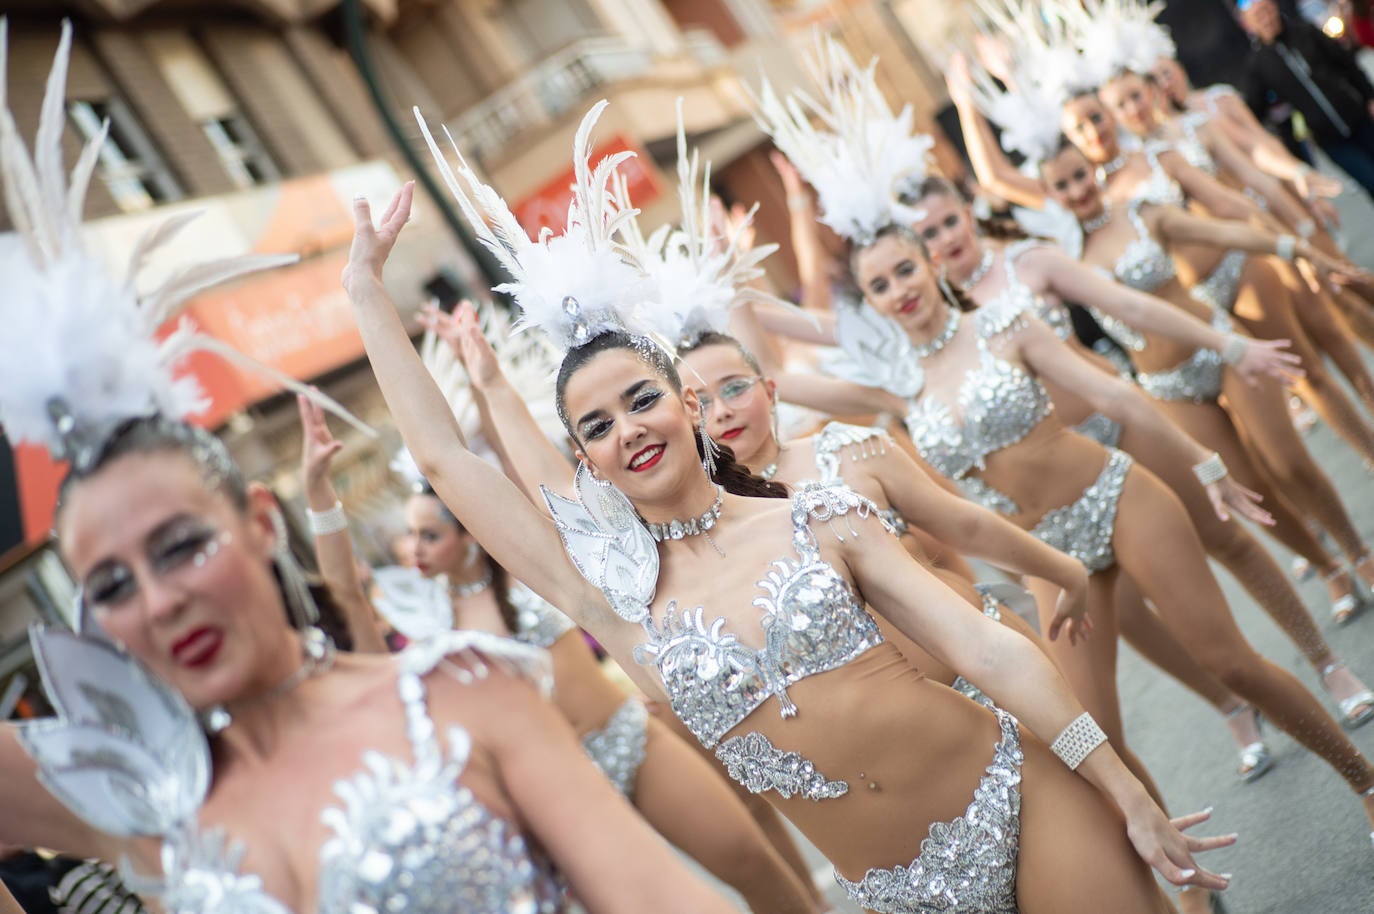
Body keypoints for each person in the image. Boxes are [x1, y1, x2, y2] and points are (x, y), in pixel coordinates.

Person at [0, 24, 737, 914]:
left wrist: (385, 315)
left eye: (182, 546)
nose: (158, 601)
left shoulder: (458, 691)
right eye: (110, 584)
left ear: (261, 526)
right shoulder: (157, 826)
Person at [299, 395, 822, 914]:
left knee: (748, 861)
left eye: (429, 534)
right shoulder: (427, 626)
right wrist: (319, 495)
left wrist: (488, 394)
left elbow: (528, 489)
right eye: (412, 535)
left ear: (468, 535)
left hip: (628, 743)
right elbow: (344, 592)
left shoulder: (527, 570)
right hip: (560, 793)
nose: (416, 548)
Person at [1238, 0, 1374, 196]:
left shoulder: (1305, 32)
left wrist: (1369, 96)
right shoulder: (1259, 65)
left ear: (1275, 8)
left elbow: (1346, 63)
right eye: (1258, 16)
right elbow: (1258, 110)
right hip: (1330, 139)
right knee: (1370, 180)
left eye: (1266, 11)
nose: (1266, 19)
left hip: (1357, 116)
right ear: (1248, 24)